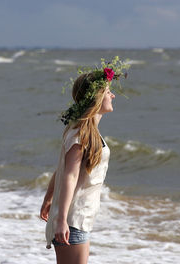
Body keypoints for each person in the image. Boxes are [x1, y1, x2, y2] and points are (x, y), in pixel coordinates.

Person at [39, 57, 129, 264]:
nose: (113, 95)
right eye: (108, 92)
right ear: (97, 97)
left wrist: (48, 197)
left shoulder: (84, 131)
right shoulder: (80, 134)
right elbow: (69, 175)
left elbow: (62, 169)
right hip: (72, 221)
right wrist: (61, 220)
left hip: (78, 219)